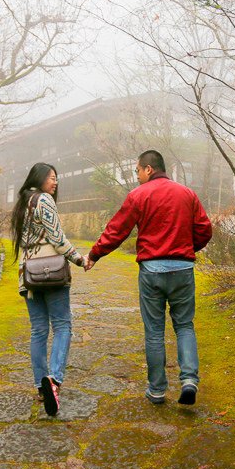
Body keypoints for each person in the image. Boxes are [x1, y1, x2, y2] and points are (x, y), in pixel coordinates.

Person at [85, 150, 212, 405]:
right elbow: (205, 229)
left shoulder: (138, 196)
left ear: (149, 169)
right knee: (184, 325)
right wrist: (186, 249)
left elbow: (116, 230)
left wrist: (95, 254)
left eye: (137, 171)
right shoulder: (187, 194)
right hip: (183, 269)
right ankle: (189, 381)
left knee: (154, 331)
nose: (137, 176)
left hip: (152, 271)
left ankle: (157, 390)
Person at [10, 162, 86, 417]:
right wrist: (78, 258)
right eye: (52, 178)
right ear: (40, 179)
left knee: (39, 330)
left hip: (28, 273)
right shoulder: (43, 200)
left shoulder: (22, 204)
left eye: (56, 178)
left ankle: (41, 386)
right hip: (51, 271)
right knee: (63, 325)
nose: (55, 183)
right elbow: (57, 237)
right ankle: (54, 379)